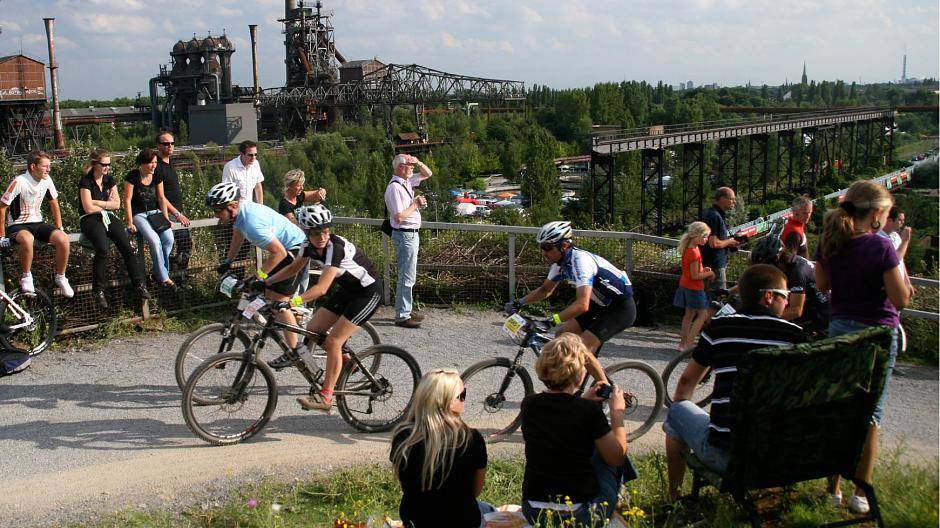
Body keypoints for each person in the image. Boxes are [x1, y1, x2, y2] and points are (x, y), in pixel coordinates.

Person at [663, 264, 807, 500]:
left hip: (728, 458)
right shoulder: (795, 336)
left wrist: (682, 406)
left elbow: (687, 380)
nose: (788, 302)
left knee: (676, 413)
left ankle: (674, 498)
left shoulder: (721, 327)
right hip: (781, 457)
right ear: (768, 297)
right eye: (785, 295)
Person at [815, 180, 910, 515]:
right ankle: (860, 493)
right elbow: (900, 299)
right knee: (871, 413)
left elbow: (822, 285)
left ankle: (833, 490)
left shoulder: (830, 242)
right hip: (877, 333)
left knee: (840, 406)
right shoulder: (881, 247)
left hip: (840, 329)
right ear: (877, 214)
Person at [262, 205, 382, 412]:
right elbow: (293, 268)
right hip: (348, 290)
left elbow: (321, 289)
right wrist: (265, 280)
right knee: (313, 329)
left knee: (334, 340)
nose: (322, 237)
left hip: (368, 292)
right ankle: (346, 362)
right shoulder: (307, 245)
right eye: (316, 233)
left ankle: (326, 397)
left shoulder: (335, 247)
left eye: (325, 231)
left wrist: (292, 302)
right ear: (307, 232)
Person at [520, 333, 631, 527]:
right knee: (609, 450)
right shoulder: (587, 412)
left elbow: (559, 421)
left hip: (533, 510)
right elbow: (617, 458)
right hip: (579, 513)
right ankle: (622, 495)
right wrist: (617, 415)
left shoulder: (529, 404)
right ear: (580, 374)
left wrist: (583, 400)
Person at [507, 221, 635, 385]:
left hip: (620, 308)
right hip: (599, 303)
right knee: (561, 336)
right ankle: (572, 386)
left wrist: (551, 321)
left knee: (582, 348)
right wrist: (519, 303)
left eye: (547, 247)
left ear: (564, 245)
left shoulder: (581, 262)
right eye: (542, 247)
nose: (543, 252)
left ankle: (607, 390)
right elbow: (545, 290)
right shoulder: (560, 264)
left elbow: (582, 305)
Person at [208, 182, 307, 351]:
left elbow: (279, 253)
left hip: (295, 250)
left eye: (218, 210)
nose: (216, 215)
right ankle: (290, 317)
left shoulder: (252, 223)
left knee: (278, 301)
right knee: (269, 295)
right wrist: (227, 262)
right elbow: (238, 236)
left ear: (232, 206)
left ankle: (295, 352)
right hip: (285, 249)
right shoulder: (239, 215)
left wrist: (258, 276)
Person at [390, 368, 493, 528]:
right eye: (462, 395)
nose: (464, 399)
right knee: (489, 509)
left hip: (416, 520)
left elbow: (407, 486)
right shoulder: (472, 438)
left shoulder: (404, 437)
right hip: (463, 521)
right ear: (446, 401)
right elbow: (475, 491)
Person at [78, 149, 151, 309]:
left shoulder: (109, 180)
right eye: (104, 164)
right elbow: (88, 208)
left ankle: (139, 284)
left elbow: (117, 204)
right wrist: (105, 204)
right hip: (90, 218)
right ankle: (98, 291)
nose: (107, 167)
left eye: (109, 164)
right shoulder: (86, 181)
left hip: (107, 216)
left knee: (127, 247)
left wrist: (97, 202)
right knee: (102, 248)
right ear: (95, 164)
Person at [0, 150, 73, 297]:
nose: (49, 169)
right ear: (33, 167)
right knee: (27, 239)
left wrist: (60, 227)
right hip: (18, 225)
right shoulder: (20, 181)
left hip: (38, 223)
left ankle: (61, 276)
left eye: (49, 166)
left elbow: (54, 203)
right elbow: (2, 207)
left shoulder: (47, 180)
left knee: (63, 239)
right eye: (45, 166)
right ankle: (26, 276)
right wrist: (1, 236)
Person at [749, 229, 830, 336]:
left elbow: (796, 310)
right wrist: (730, 291)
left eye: (767, 266)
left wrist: (765, 320)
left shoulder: (797, 271)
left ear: (778, 259)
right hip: (808, 307)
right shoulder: (786, 264)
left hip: (820, 315)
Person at [384, 153, 432, 329]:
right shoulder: (394, 188)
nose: (412, 167)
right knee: (406, 276)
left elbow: (428, 173)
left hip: (410, 235)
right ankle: (402, 316)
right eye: (409, 164)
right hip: (405, 235)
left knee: (408, 275)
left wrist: (418, 162)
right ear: (400, 167)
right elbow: (398, 217)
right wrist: (416, 204)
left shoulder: (406, 182)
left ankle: (406, 309)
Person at [124, 148, 176, 288]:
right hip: (139, 214)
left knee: (168, 239)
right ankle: (164, 277)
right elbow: (127, 200)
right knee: (154, 241)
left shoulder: (157, 174)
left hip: (156, 213)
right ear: (142, 163)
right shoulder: (133, 176)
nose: (154, 165)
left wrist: (166, 218)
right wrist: (129, 222)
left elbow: (161, 198)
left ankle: (158, 272)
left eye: (155, 162)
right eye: (150, 163)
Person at [154, 130, 193, 283]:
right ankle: (173, 280)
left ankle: (180, 277)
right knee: (171, 247)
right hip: (169, 213)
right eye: (165, 143)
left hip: (177, 211)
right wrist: (177, 214)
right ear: (158, 145)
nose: (170, 146)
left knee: (185, 245)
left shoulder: (170, 162)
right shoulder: (157, 166)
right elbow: (161, 196)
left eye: (172, 143)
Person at [673, 221, 714, 349]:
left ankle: (682, 344)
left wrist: (703, 270)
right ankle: (689, 345)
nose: (706, 239)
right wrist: (709, 273)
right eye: (704, 236)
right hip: (694, 287)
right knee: (703, 315)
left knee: (689, 315)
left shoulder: (688, 248)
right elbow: (695, 276)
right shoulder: (694, 252)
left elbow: (691, 271)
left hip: (685, 285)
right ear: (696, 235)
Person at [700, 187, 739, 295]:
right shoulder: (715, 216)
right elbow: (713, 243)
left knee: (709, 297)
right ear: (722, 199)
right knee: (718, 297)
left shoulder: (711, 213)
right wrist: (730, 241)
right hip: (715, 265)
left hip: (709, 263)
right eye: (732, 199)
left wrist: (730, 239)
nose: (734, 202)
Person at [221, 140, 264, 204]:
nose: (253, 158)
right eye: (250, 155)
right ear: (241, 154)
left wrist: (260, 206)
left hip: (250, 206)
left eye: (255, 154)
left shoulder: (256, 164)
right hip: (236, 207)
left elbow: (258, 187)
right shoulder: (230, 167)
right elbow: (227, 192)